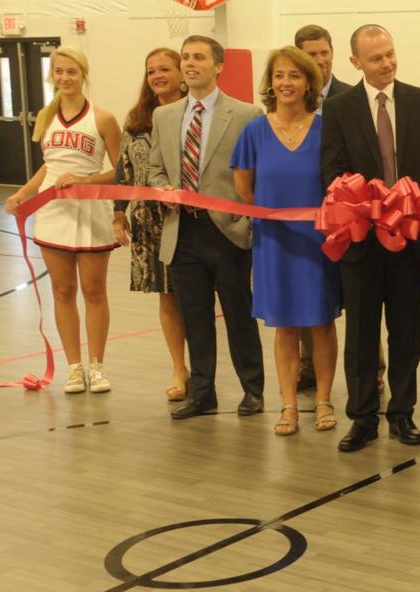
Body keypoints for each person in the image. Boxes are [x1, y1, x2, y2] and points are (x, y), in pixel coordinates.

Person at [321, 25, 420, 452]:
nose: (387, 63)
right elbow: (331, 172)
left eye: (390, 54)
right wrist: (365, 203)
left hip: (408, 242)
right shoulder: (338, 109)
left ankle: (403, 413)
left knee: (406, 331)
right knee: (360, 334)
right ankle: (362, 417)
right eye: (376, 58)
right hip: (360, 244)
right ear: (355, 63)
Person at [148, 35, 265, 420]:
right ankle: (202, 393)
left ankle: (253, 389)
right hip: (182, 231)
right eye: (185, 57)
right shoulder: (164, 116)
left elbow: (256, 174)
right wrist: (161, 188)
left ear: (218, 66)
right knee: (194, 316)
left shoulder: (247, 114)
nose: (190, 63)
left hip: (227, 232)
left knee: (238, 314)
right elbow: (155, 168)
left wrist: (248, 223)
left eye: (199, 57)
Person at [232, 46, 341, 435]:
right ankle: (289, 404)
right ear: (270, 82)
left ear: (309, 82)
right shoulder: (254, 131)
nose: (286, 83)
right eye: (279, 75)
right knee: (285, 327)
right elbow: (244, 186)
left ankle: (325, 400)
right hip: (273, 242)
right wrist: (268, 217)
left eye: (295, 75)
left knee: (321, 322)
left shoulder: (328, 127)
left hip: (317, 241)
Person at [4, 46, 121, 395]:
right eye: (59, 72)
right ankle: (73, 367)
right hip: (53, 213)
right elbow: (49, 167)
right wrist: (22, 194)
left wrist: (86, 181)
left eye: (72, 71)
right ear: (51, 76)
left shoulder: (103, 118)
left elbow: (120, 171)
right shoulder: (45, 116)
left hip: (91, 211)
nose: (66, 78)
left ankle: (97, 367)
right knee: (62, 290)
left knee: (94, 290)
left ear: (84, 75)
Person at [294, 23, 386, 394]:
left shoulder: (356, 96)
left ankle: (374, 370)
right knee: (311, 293)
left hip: (355, 219)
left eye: (323, 52)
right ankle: (308, 366)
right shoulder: (292, 101)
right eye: (311, 55)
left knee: (362, 301)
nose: (319, 61)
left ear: (335, 54)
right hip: (306, 217)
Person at [113, 47, 189, 402]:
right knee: (167, 297)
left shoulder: (195, 112)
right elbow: (122, 173)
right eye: (151, 71)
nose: (157, 76)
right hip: (148, 222)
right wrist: (118, 212)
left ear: (181, 72)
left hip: (189, 219)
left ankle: (205, 370)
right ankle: (179, 368)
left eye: (165, 69)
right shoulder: (135, 120)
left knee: (198, 297)